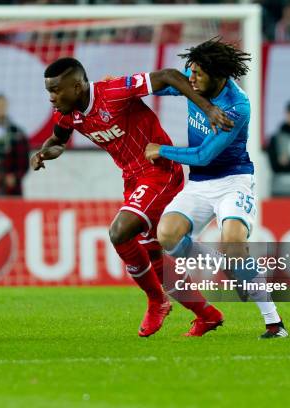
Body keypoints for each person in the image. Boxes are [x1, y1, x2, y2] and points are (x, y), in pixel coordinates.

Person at [33, 57, 233, 337]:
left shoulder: (113, 92)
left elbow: (168, 76)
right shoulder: (67, 114)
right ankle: (207, 315)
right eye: (49, 91)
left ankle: (156, 301)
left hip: (159, 170)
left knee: (120, 231)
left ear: (77, 86)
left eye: (56, 90)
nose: (52, 98)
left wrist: (209, 108)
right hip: (132, 179)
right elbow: (57, 140)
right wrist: (45, 152)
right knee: (155, 257)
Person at [145, 38, 288, 338]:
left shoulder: (236, 107)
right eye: (190, 71)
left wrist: (162, 150)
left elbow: (204, 155)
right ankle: (226, 264)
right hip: (199, 184)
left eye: (198, 73)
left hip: (232, 181)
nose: (191, 78)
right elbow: (158, 85)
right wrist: (118, 87)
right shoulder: (195, 87)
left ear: (219, 76)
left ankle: (274, 323)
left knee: (234, 243)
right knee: (167, 234)